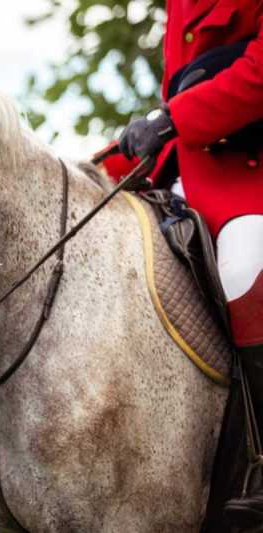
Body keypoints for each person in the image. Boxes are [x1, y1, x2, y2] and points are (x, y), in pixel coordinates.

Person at [101, 0, 263, 522]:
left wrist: (174, 118)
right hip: (187, 165)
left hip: (249, 173)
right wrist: (115, 153)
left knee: (244, 272)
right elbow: (183, 85)